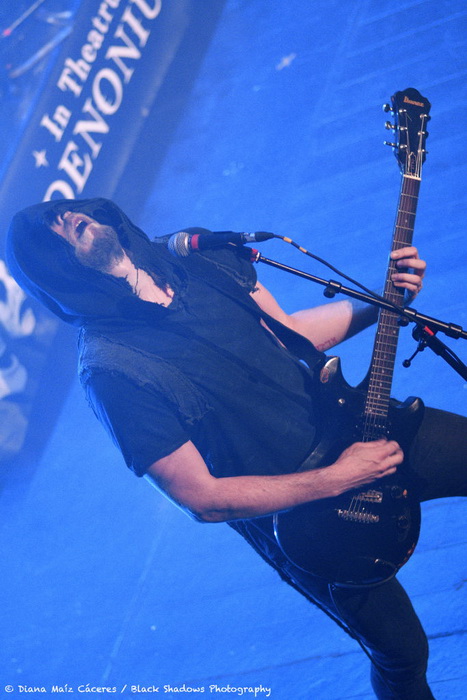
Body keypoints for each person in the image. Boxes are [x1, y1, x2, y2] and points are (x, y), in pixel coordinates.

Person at [6, 197, 466, 699]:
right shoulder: (111, 369)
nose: (66, 217)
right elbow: (202, 498)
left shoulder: (194, 255)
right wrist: (338, 479)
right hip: (308, 518)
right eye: (50, 228)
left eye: (64, 210)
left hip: (359, 428)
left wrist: (382, 304)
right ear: (52, 268)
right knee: (403, 654)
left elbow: (291, 334)